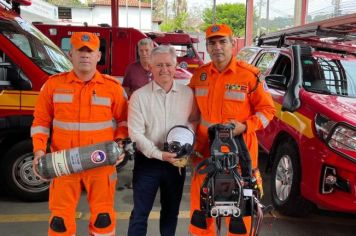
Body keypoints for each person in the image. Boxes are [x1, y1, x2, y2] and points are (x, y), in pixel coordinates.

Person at [31, 32, 128, 236]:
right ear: (70, 54)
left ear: (98, 56)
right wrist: (39, 151)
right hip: (63, 164)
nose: (85, 56)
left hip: (100, 164)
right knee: (60, 222)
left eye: (90, 51)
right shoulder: (53, 85)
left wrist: (120, 144)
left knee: (103, 219)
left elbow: (124, 121)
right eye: (80, 51)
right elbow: (40, 122)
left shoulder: (112, 88)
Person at [188, 24, 276, 236]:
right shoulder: (199, 76)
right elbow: (192, 116)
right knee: (201, 217)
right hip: (205, 157)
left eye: (222, 41)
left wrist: (246, 126)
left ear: (232, 43)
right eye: (212, 43)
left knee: (239, 220)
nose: (217, 47)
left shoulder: (249, 76)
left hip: (240, 159)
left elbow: (268, 111)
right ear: (207, 47)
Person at [127, 45, 199, 236]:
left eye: (168, 64)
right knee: (140, 214)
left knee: (171, 212)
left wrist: (187, 142)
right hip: (147, 163)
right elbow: (135, 134)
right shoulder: (139, 97)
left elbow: (193, 121)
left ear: (176, 67)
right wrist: (158, 154)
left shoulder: (187, 94)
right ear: (150, 66)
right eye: (159, 65)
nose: (164, 69)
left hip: (175, 165)